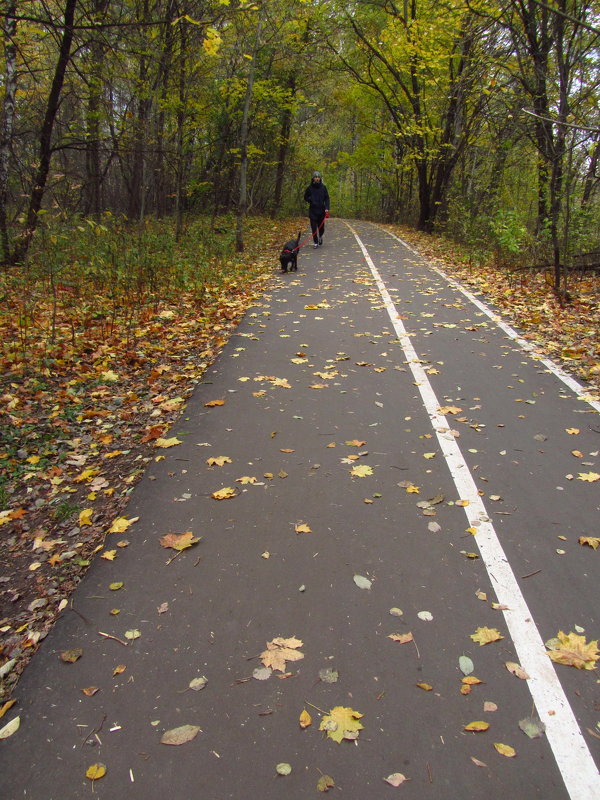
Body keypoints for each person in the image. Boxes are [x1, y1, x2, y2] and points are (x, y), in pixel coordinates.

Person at [304, 171, 330, 247]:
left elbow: (327, 198)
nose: (317, 179)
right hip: (313, 210)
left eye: (318, 177)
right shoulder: (309, 188)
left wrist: (327, 208)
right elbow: (305, 197)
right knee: (313, 228)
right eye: (315, 177)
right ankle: (315, 242)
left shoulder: (323, 187)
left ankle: (320, 236)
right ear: (313, 178)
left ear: (320, 178)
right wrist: (310, 199)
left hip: (321, 210)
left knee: (321, 228)